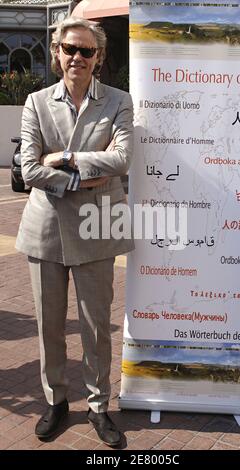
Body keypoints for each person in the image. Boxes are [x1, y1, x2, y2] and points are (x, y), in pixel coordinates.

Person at [16, 16, 134, 447]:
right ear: (56, 53)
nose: (77, 58)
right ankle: (57, 401)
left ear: (98, 57)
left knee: (96, 325)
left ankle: (100, 406)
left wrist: (61, 158)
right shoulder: (35, 101)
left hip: (99, 225)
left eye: (87, 51)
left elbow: (122, 159)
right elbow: (28, 168)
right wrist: (80, 176)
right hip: (45, 228)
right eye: (70, 49)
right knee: (49, 324)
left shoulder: (120, 100)